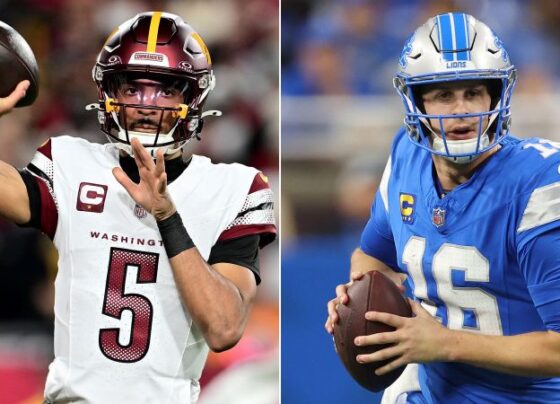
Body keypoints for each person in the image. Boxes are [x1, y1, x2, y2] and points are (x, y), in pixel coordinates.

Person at [0, 11, 276, 403]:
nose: (147, 105)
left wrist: (168, 215)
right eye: (133, 89)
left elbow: (224, 328)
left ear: (192, 97)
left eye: (165, 90)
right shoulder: (71, 162)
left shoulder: (234, 187)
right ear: (110, 94)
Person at [325, 12, 560, 403]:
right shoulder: (407, 156)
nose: (461, 110)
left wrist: (446, 343)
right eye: (443, 94)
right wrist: (357, 297)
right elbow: (372, 256)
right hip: (435, 390)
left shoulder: (538, 184)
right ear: (416, 101)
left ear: (496, 96)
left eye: (473, 92)